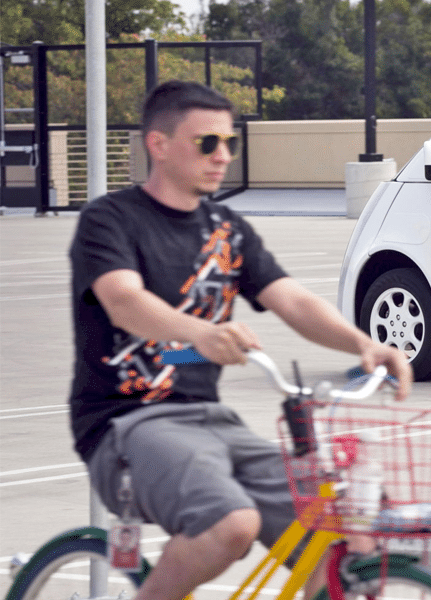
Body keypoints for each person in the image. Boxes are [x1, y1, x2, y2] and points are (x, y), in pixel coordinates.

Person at [68, 80, 412, 600]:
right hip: (125, 422)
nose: (223, 155)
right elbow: (124, 300)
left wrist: (363, 344)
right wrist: (201, 333)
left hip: (211, 421)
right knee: (231, 525)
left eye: (231, 143)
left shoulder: (225, 231)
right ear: (158, 144)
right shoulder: (110, 220)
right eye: (208, 143)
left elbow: (292, 300)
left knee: (340, 529)